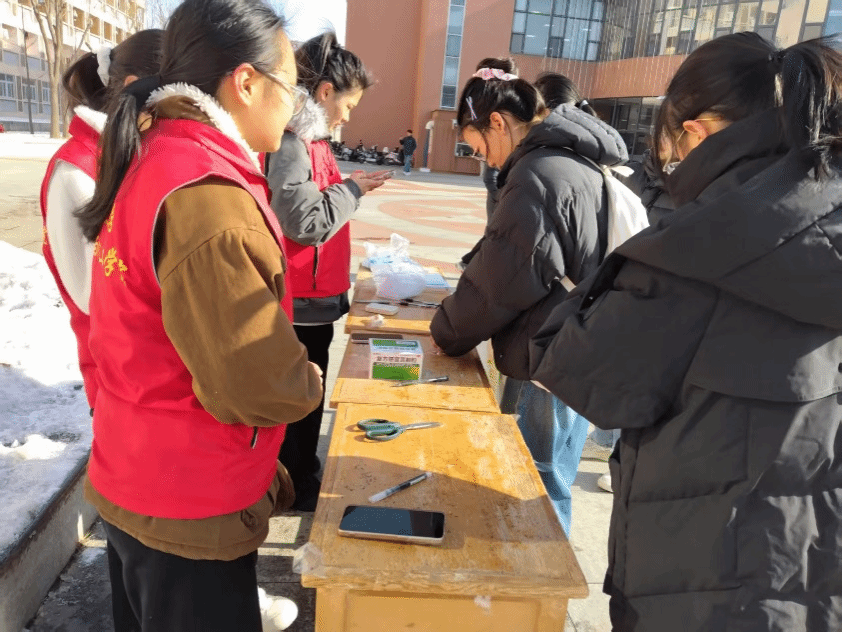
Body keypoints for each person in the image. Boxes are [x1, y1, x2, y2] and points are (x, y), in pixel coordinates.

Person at [530, 32, 842, 631]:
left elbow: (573, 366)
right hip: (817, 570)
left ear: (696, 132)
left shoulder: (697, 248)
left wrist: (589, 292)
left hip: (705, 579)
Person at [75, 0, 323, 629]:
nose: (294, 106)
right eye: (290, 87)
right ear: (246, 83)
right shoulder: (206, 193)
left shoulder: (154, 155)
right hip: (188, 498)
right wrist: (307, 382)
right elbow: (253, 380)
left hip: (137, 472)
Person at [429, 59, 627, 536]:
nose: (485, 161)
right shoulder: (570, 160)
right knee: (551, 474)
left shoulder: (538, 175)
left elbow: (501, 282)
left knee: (535, 482)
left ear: (498, 123)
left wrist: (447, 329)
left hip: (552, 353)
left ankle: (539, 577)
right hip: (581, 343)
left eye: (479, 148)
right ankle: (543, 572)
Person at [265, 32, 389, 511]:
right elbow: (304, 220)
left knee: (307, 394)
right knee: (301, 398)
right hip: (298, 298)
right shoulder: (292, 142)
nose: (348, 116)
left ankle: (301, 471)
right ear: (324, 91)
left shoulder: (312, 140)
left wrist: (350, 186)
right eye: (348, 104)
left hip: (313, 296)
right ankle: (295, 480)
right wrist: (352, 191)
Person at [39, 30, 163, 415]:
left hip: (156, 378)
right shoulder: (76, 170)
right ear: (137, 88)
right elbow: (90, 296)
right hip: (121, 385)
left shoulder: (133, 156)